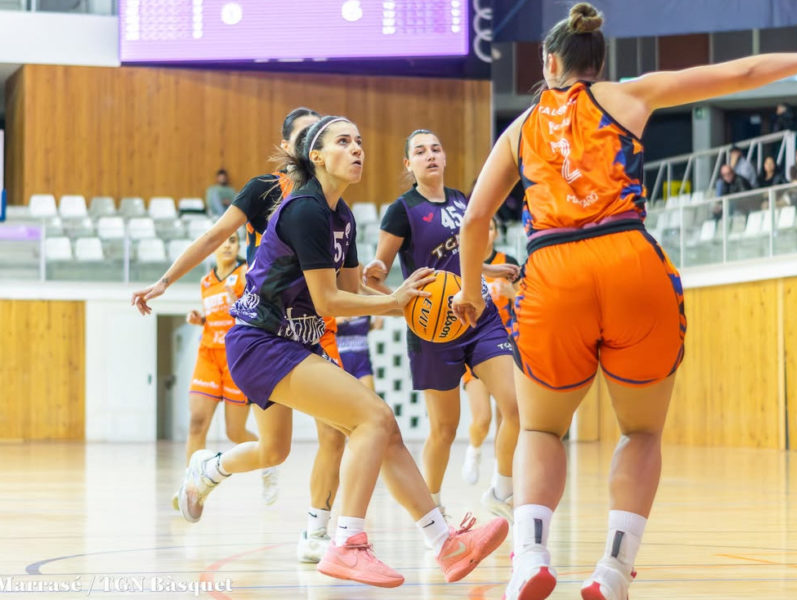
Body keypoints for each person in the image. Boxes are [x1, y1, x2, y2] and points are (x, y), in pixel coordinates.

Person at [452, 3, 797, 599]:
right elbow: (742, 73)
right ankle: (612, 570)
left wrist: (466, 290)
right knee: (640, 432)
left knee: (541, 430)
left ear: (550, 62)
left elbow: (474, 221)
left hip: (554, 271)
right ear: (600, 61)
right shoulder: (631, 95)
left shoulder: (520, 128)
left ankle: (530, 559)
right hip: (630, 262)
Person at [179, 115, 509, 587]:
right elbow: (328, 302)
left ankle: (446, 544)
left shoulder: (343, 217)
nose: (357, 149)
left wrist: (407, 300)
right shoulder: (305, 210)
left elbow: (354, 290)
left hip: (295, 341)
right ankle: (347, 543)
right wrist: (395, 304)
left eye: (359, 141)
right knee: (372, 418)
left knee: (358, 434)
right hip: (262, 342)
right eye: (343, 141)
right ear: (316, 156)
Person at [131, 107, 348, 564]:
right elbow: (215, 237)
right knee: (274, 449)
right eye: (305, 135)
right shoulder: (265, 190)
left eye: (321, 133)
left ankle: (316, 531)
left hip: (317, 328)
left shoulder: (337, 205)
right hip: (271, 329)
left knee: (337, 431)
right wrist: (165, 281)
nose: (314, 140)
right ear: (289, 147)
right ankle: (210, 468)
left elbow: (349, 281)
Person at [364, 129, 521, 522]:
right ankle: (431, 508)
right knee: (445, 430)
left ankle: (501, 490)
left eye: (435, 148)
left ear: (445, 157)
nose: (430, 155)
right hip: (434, 330)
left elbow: (463, 252)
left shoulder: (460, 200)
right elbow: (376, 275)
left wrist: (487, 270)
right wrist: (398, 300)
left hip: (480, 316)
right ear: (409, 163)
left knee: (516, 406)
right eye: (420, 151)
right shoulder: (402, 210)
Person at [173, 233, 254, 508]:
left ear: (239, 246)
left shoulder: (246, 273)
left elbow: (255, 314)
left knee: (235, 432)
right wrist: (202, 319)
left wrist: (237, 305)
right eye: (223, 241)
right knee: (197, 422)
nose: (228, 245)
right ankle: (190, 489)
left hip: (235, 357)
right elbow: (216, 316)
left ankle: (269, 458)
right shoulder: (206, 281)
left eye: (233, 241)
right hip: (208, 354)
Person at [461, 216, 520, 486]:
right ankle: (473, 451)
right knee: (482, 418)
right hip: (473, 347)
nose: (486, 232)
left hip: (506, 346)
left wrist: (513, 295)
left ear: (496, 234)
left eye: (491, 227)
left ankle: (500, 472)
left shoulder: (508, 263)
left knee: (506, 415)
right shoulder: (464, 263)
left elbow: (528, 302)